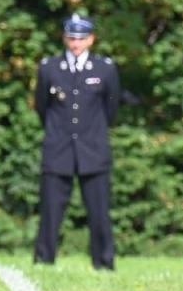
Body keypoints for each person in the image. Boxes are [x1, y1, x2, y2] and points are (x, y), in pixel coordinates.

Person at [34, 14, 121, 270]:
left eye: (81, 38)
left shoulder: (105, 68)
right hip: (58, 148)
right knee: (50, 211)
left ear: (91, 40)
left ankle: (104, 262)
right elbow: (42, 107)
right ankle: (44, 259)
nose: (75, 44)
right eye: (71, 38)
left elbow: (111, 109)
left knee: (99, 212)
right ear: (64, 38)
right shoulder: (50, 67)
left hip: (93, 150)